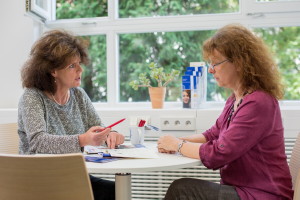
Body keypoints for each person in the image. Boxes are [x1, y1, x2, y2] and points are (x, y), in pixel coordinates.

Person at [157, 24, 294, 200]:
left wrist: (177, 145)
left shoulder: (258, 103)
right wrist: (176, 141)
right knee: (182, 188)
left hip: (263, 194)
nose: (211, 70)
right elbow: (213, 134)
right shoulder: (236, 98)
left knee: (182, 190)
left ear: (239, 62)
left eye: (215, 63)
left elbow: (219, 154)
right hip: (243, 189)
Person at [18, 29, 125, 200]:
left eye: (79, 64)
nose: (80, 70)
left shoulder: (78, 95)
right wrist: (82, 140)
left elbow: (98, 128)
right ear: (53, 70)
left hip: (73, 175)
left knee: (119, 192)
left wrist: (109, 134)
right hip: (40, 181)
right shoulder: (32, 97)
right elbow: (38, 142)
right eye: (72, 66)